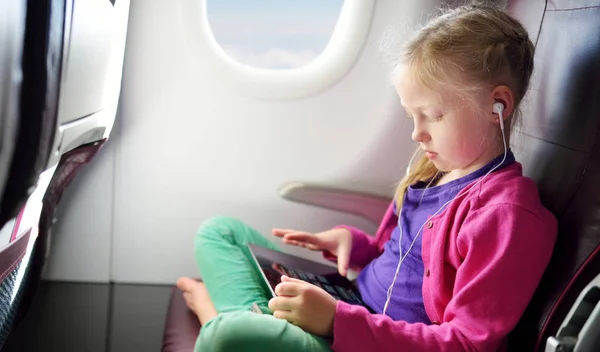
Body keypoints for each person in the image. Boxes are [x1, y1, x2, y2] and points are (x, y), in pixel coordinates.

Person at [176, 4, 558, 351]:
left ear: (498, 106)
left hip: (367, 338)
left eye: (434, 115)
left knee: (225, 336)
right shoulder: (432, 171)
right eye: (412, 116)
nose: (417, 133)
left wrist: (335, 321)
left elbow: (466, 344)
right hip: (347, 299)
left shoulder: (507, 215)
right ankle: (251, 325)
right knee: (218, 232)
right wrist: (355, 245)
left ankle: (219, 316)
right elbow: (396, 262)